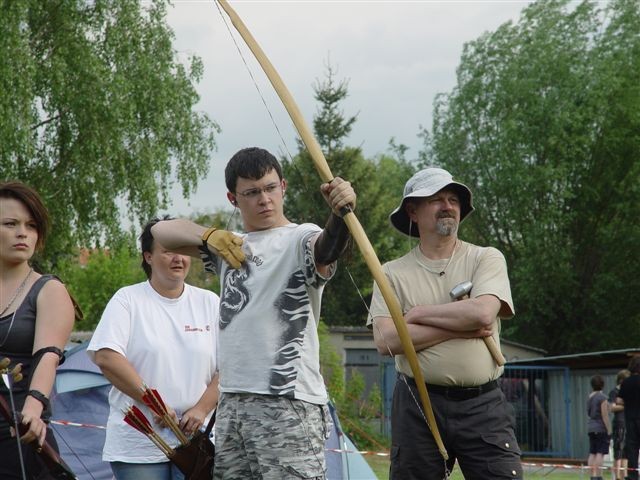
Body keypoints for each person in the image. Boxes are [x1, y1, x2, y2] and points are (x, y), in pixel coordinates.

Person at [151, 147, 356, 479]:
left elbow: (327, 248)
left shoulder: (299, 236)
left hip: (288, 402)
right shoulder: (230, 245)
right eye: (252, 192)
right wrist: (208, 236)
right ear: (233, 198)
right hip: (232, 403)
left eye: (271, 188)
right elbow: (161, 233)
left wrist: (341, 214)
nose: (265, 199)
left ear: (283, 186)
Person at [368, 167, 522, 479]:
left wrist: (417, 315)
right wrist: (459, 327)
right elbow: (387, 341)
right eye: (436, 199)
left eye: (453, 199)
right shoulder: (391, 273)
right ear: (413, 211)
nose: (448, 205)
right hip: (417, 407)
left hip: (484, 405)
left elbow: (481, 314)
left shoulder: (486, 258)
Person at [87, 217, 220, 480]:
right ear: (148, 256)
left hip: (197, 442)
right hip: (139, 444)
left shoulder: (209, 302)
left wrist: (201, 409)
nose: (178, 258)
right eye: (168, 250)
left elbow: (230, 367)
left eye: (183, 251)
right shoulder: (128, 300)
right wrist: (154, 403)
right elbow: (107, 357)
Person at [0, 181, 75, 479]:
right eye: (10, 223)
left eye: (31, 226)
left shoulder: (49, 290)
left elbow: (49, 355)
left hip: (20, 431)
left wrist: (33, 407)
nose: (23, 233)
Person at [618, 356, 640, 480]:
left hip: (630, 418)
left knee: (632, 447)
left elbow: (619, 400)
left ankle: (632, 475)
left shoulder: (626, 382)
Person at [587, 374, 611, 480]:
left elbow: (588, 412)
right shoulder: (603, 397)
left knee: (592, 452)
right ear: (602, 385)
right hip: (600, 427)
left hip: (591, 427)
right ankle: (598, 475)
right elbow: (604, 415)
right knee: (600, 453)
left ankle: (592, 475)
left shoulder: (590, 397)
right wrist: (609, 430)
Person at [610, 369, 631, 480]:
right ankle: (617, 476)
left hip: (628, 422)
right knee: (618, 450)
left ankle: (625, 475)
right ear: (622, 380)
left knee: (626, 451)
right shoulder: (614, 392)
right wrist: (626, 405)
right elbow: (612, 407)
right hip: (619, 423)